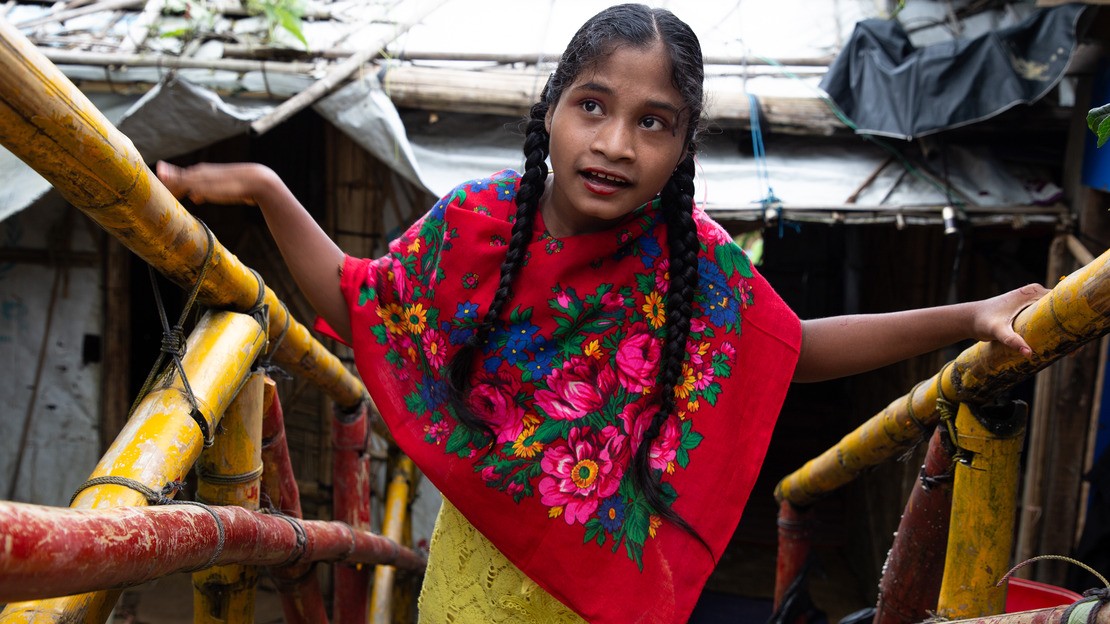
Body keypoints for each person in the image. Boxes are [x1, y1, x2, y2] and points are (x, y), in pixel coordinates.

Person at [156, 4, 1048, 622]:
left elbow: (793, 348)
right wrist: (272, 190)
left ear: (684, 144)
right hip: (470, 587)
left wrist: (970, 315)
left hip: (600, 598)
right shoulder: (474, 222)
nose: (616, 143)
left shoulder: (692, 259)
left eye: (654, 122)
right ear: (552, 112)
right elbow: (362, 302)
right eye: (594, 106)